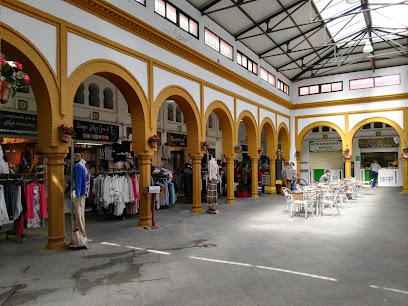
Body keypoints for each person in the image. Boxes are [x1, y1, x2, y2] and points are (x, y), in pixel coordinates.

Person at [72, 153, 90, 249]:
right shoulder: (79, 167)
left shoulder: (83, 166)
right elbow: (79, 181)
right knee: (78, 215)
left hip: (83, 193)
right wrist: (78, 193)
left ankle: (83, 235)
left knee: (81, 215)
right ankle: (82, 234)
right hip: (79, 193)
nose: (85, 156)